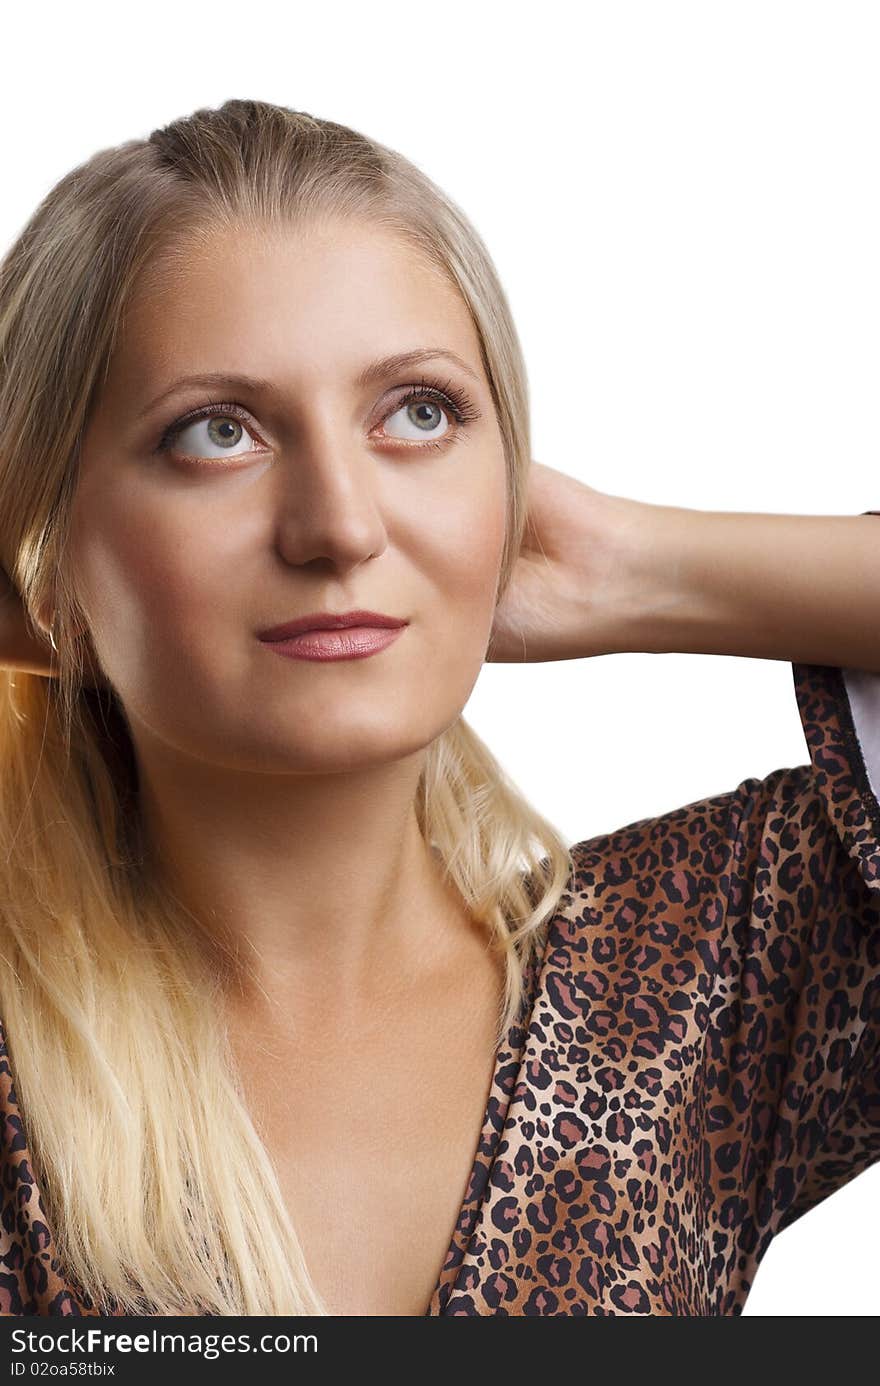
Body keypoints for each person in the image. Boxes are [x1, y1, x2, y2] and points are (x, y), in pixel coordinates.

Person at [0, 98, 877, 1319]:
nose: (342, 527)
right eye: (218, 432)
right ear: (43, 547)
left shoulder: (704, 967)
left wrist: (632, 568)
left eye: (419, 413)